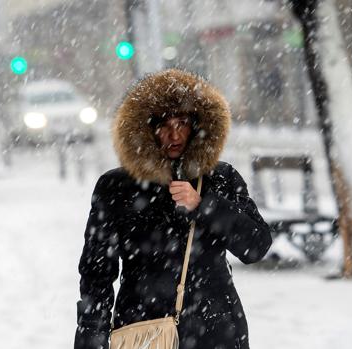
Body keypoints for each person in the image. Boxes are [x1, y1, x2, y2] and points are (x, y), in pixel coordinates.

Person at [74, 69, 273, 349]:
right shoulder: (116, 187)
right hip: (145, 330)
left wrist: (204, 207)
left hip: (215, 330)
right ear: (144, 129)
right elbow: (97, 271)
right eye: (163, 124)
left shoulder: (220, 178)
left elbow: (256, 246)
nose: (174, 134)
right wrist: (92, 335)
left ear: (199, 126)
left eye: (182, 122)